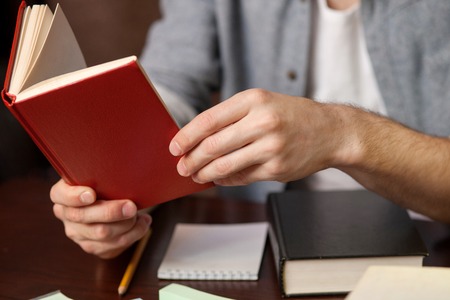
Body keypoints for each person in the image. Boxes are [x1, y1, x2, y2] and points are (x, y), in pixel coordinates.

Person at [50, 0, 450, 259]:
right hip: (261, 238)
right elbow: (170, 84)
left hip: (433, 238)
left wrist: (343, 133)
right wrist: (116, 185)